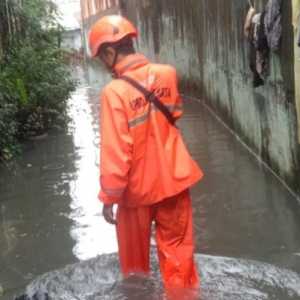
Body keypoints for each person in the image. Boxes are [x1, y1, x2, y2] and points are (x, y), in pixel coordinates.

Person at [89, 15, 204, 289]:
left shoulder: (113, 92)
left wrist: (109, 198)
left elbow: (116, 155)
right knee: (179, 258)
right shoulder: (167, 74)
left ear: (109, 51)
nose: (104, 65)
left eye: (101, 58)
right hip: (174, 181)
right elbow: (174, 114)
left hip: (135, 193)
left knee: (135, 268)